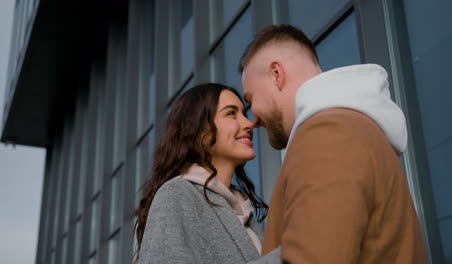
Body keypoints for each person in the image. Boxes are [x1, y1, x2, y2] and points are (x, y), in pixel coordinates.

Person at [239, 24, 427, 263]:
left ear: (277, 74)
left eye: (250, 99)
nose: (253, 120)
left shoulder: (326, 132)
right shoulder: (349, 129)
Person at [133, 83, 280, 263]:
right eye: (231, 113)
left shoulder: (241, 209)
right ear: (197, 130)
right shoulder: (176, 193)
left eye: (244, 113)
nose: (249, 123)